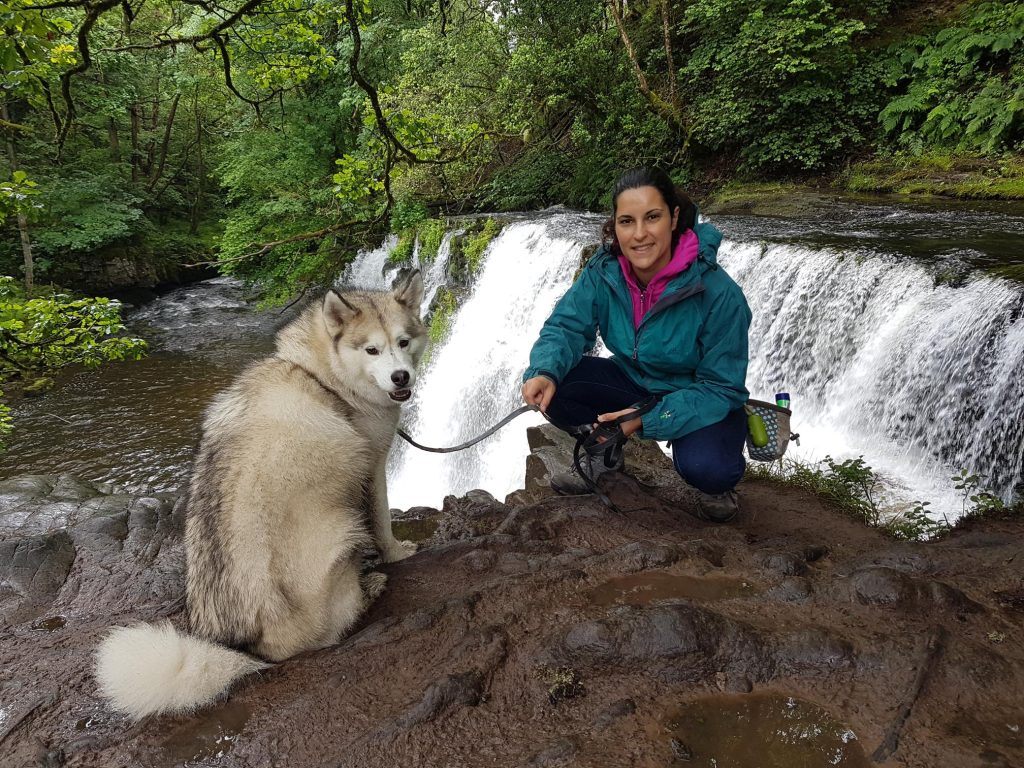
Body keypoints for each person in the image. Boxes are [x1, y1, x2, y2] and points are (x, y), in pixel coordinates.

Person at [520, 167, 751, 522]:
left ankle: (719, 481)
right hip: (633, 381)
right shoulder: (604, 271)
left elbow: (722, 387)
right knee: (555, 385)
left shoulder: (720, 294)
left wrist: (643, 421)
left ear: (674, 218)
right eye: (627, 221)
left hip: (699, 395)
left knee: (709, 468)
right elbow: (566, 326)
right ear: (615, 225)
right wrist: (545, 371)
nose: (639, 234)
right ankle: (603, 455)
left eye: (652, 217)